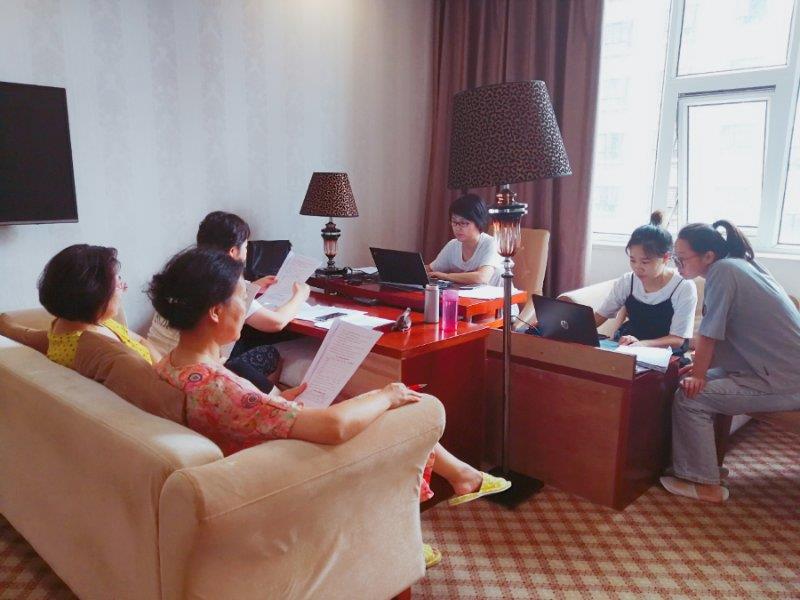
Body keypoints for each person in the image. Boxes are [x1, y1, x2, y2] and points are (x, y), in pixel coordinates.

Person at [148, 247, 511, 567]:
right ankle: (404, 534)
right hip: (287, 474)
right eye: (242, 297)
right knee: (405, 412)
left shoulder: (170, 366)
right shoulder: (219, 387)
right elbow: (332, 428)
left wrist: (276, 403)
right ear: (215, 311)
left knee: (358, 405)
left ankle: (458, 480)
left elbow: (241, 409)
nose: (246, 306)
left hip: (259, 454)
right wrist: (385, 395)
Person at [660, 220, 800, 503]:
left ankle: (705, 483)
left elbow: (710, 332)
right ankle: (703, 466)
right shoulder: (742, 264)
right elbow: (733, 331)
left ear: (708, 256)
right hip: (775, 370)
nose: (678, 265)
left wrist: (700, 375)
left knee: (690, 398)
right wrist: (702, 369)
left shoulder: (723, 272)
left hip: (785, 382)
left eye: (682, 258)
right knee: (690, 381)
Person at [146, 211, 310, 393]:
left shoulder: (187, 272)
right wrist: (300, 296)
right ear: (233, 251)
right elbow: (276, 322)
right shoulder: (220, 288)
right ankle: (274, 396)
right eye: (246, 247)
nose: (247, 253)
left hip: (165, 360)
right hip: (192, 365)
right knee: (266, 353)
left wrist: (250, 287)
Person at [37, 244, 160, 368]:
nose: (124, 289)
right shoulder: (93, 350)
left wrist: (162, 367)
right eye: (118, 285)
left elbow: (140, 341)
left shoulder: (91, 320)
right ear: (93, 294)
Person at [594, 211, 697, 350]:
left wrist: (642, 344)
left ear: (666, 258)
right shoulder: (627, 281)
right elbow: (601, 314)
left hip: (663, 352)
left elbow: (677, 340)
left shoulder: (683, 287)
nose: (637, 267)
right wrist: (576, 330)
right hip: (627, 346)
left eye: (645, 262)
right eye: (632, 260)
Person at [427, 194, 505, 286]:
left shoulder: (492, 244)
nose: (458, 228)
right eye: (454, 222)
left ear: (478, 222)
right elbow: (430, 269)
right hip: (470, 295)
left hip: (501, 294)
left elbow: (482, 277)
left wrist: (446, 276)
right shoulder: (453, 245)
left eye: (464, 223)